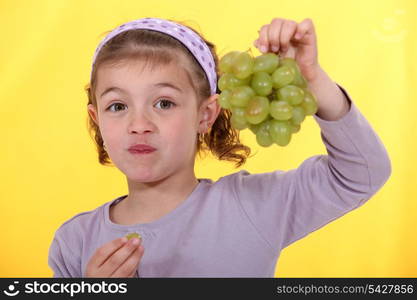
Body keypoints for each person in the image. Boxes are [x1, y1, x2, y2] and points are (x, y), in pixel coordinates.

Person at [48, 17, 391, 278]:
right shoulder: (73, 243)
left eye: (164, 103)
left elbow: (361, 174)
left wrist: (312, 79)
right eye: (118, 106)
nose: (139, 124)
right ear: (97, 119)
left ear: (205, 114)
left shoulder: (253, 206)